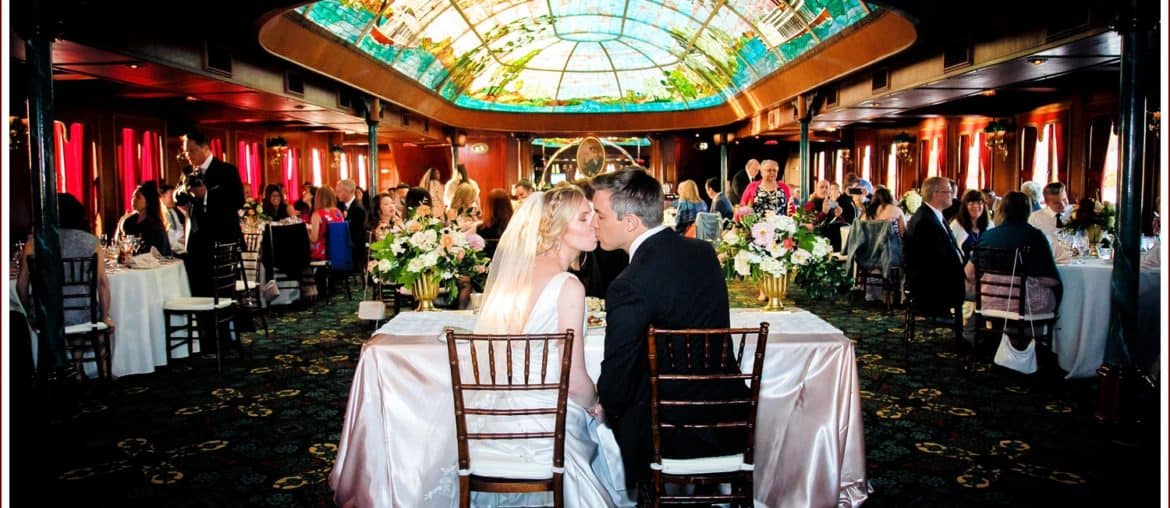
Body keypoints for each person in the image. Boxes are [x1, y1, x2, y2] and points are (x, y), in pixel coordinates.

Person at [470, 185, 630, 507]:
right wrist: (597, 403)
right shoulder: (567, 285)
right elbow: (573, 382)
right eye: (584, 219)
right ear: (558, 228)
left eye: (593, 216)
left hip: (498, 414)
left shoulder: (515, 276)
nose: (595, 224)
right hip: (547, 419)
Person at [591, 168, 746, 494]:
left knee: (589, 425)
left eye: (600, 215)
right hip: (728, 417)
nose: (594, 223)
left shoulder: (629, 284)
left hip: (669, 433)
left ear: (630, 222)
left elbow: (617, 380)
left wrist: (601, 405)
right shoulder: (704, 254)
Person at [17, 193, 114, 380]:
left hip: (48, 314)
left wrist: (30, 311)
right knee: (82, 307)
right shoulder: (91, 242)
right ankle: (78, 368)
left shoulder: (34, 243)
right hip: (83, 313)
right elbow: (102, 283)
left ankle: (66, 370)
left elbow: (21, 285)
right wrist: (104, 316)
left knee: (62, 309)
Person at [965, 191, 1062, 318]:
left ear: (1002, 210)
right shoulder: (1035, 236)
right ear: (1028, 211)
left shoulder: (987, 235)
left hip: (989, 301)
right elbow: (1051, 280)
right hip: (1025, 304)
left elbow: (969, 274)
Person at [182, 130, 244, 300]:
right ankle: (204, 326)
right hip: (195, 241)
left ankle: (223, 325)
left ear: (205, 148)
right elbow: (177, 196)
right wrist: (185, 190)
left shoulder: (226, 170)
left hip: (220, 239)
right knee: (198, 290)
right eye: (186, 151)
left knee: (221, 292)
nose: (188, 155)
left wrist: (207, 195)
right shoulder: (189, 173)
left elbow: (238, 200)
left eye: (192, 150)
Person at [904, 176, 966, 321]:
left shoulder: (931, 215)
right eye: (949, 192)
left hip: (936, 277)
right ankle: (973, 334)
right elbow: (937, 261)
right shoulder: (925, 221)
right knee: (986, 290)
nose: (953, 196)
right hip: (931, 285)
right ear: (936, 194)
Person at [117, 180, 172, 256]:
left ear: (148, 202)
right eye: (133, 196)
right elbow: (120, 244)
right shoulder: (128, 221)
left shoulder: (155, 226)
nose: (133, 200)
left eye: (138, 197)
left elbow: (161, 253)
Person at [950, 189, 994, 262]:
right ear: (965, 206)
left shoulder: (990, 225)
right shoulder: (956, 225)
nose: (976, 206)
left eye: (979, 203)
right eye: (972, 203)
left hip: (985, 268)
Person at [335, 179, 367, 269]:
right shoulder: (341, 206)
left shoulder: (357, 208)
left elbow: (357, 235)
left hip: (355, 252)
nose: (337, 195)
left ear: (349, 191)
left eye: (339, 192)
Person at [476, 188, 513, 259]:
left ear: (488, 206)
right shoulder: (514, 228)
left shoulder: (481, 229)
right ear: (508, 205)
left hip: (488, 267)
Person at [159, 183, 187, 254]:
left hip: (179, 245)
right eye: (171, 197)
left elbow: (179, 229)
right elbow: (170, 239)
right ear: (162, 197)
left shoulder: (173, 211)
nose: (174, 200)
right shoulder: (161, 214)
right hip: (172, 250)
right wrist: (184, 247)